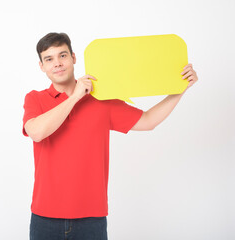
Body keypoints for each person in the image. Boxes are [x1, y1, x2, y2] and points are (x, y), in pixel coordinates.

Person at [22, 32, 198, 240]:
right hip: (45, 217)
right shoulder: (35, 99)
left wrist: (180, 89)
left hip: (91, 218)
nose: (57, 63)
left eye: (63, 55)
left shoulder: (101, 99)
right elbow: (36, 132)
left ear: (74, 58)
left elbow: (148, 120)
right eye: (49, 59)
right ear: (42, 66)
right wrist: (76, 97)